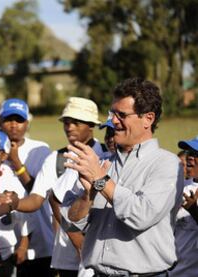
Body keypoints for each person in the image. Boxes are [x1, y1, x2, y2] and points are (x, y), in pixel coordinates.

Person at [64, 78, 184, 276]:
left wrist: (101, 181)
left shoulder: (167, 164)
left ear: (148, 118)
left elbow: (140, 215)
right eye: (112, 113)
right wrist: (87, 196)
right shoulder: (101, 163)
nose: (113, 121)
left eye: (122, 115)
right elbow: (73, 223)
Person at [1, 97, 107, 277]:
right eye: (66, 122)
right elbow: (36, 199)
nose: (69, 127)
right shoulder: (55, 159)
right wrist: (13, 202)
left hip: (102, 252)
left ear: (91, 125)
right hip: (67, 256)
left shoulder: (107, 155)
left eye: (76, 122)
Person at [0, 98, 53, 277]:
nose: (14, 125)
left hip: (39, 244)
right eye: (8, 120)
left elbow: (37, 192)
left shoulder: (40, 149)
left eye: (19, 120)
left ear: (27, 123)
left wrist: (15, 161)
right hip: (1, 241)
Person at [0, 130, 35, 277]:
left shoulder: (10, 179)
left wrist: (23, 246)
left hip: (6, 255)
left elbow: (27, 216)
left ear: (4, 155)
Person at [166, 137, 198, 276]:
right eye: (189, 152)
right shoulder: (183, 187)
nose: (190, 157)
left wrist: (194, 212)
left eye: (196, 154)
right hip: (173, 270)